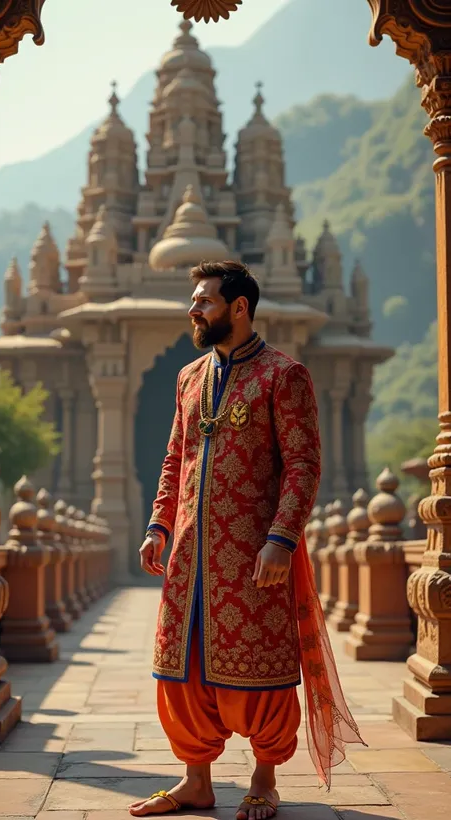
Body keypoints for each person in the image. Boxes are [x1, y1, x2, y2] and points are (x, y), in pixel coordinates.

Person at [129, 261, 363, 819]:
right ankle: (196, 781)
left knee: (260, 670)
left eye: (204, 301)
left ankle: (264, 779)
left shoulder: (284, 376)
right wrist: (158, 525)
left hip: (255, 557)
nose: (193, 310)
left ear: (238, 308)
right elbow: (174, 460)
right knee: (178, 671)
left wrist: (281, 539)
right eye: (193, 301)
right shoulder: (188, 378)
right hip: (189, 557)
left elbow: (303, 465)